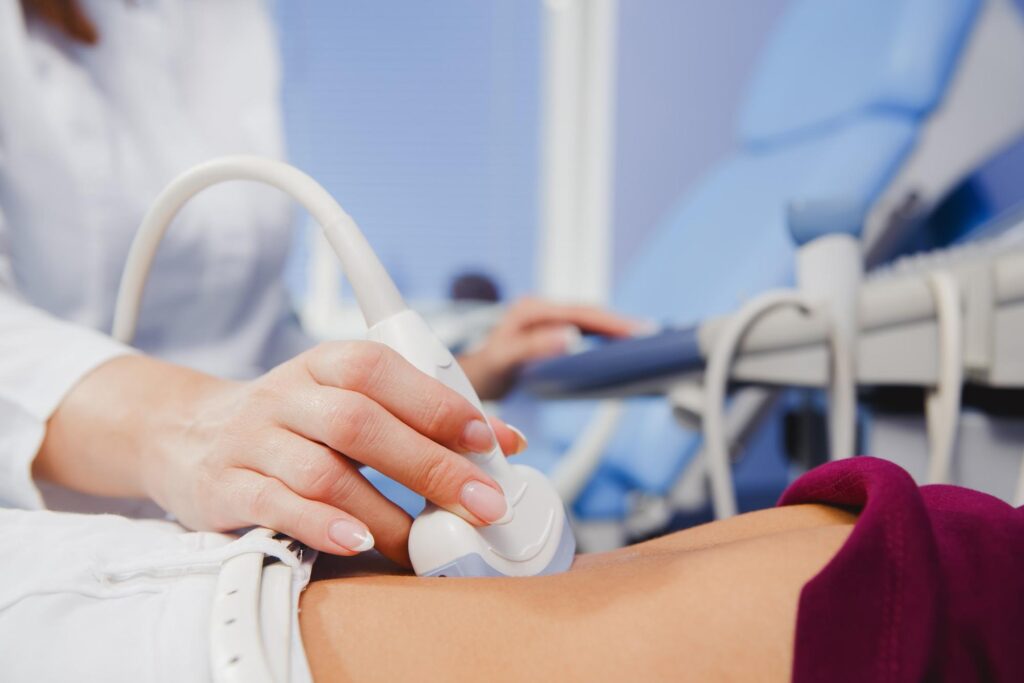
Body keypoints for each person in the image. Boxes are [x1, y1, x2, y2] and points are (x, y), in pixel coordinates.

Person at [0, 0, 635, 564]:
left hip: (272, 521)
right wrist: (185, 430)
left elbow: (255, 329)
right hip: (74, 535)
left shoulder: (226, 19)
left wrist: (456, 373)